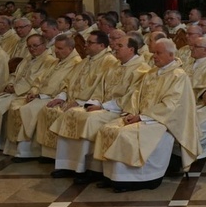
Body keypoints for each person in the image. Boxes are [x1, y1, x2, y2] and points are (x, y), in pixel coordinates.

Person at [93, 39, 199, 192]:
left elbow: (171, 105)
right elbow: (137, 95)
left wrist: (142, 117)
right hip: (142, 116)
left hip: (162, 121)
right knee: (108, 128)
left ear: (171, 54)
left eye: (158, 53)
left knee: (124, 134)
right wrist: (132, 112)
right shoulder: (151, 72)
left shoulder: (178, 75)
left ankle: (142, 179)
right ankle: (113, 176)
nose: (154, 56)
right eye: (153, 52)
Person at [51, 34, 150, 183]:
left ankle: (90, 169)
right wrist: (93, 103)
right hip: (102, 106)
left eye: (120, 46)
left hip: (117, 110)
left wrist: (102, 106)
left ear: (131, 49)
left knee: (89, 119)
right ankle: (68, 164)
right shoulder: (115, 65)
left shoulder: (141, 69)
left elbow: (131, 98)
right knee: (71, 113)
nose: (115, 48)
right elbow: (99, 89)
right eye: (115, 45)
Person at [3, 35, 82, 161]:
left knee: (28, 110)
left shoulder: (76, 63)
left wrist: (43, 95)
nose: (56, 51)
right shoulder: (56, 61)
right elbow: (40, 79)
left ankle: (27, 151)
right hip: (41, 95)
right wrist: (34, 91)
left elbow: (68, 84)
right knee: (17, 105)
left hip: (52, 97)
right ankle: (16, 148)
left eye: (60, 48)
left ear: (70, 48)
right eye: (56, 47)